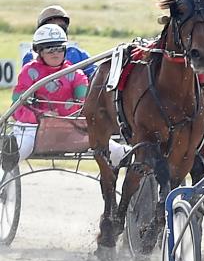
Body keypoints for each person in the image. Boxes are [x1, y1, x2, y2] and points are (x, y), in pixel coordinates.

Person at [3, 25, 127, 168]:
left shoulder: (76, 73)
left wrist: (67, 115)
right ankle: (6, 167)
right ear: (39, 51)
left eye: (59, 48)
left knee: (109, 146)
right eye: (49, 48)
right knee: (17, 152)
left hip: (72, 128)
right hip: (35, 130)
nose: (55, 53)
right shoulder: (28, 72)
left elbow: (85, 103)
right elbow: (17, 105)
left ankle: (132, 163)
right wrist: (41, 116)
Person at [21, 5, 96, 79]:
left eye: (61, 27)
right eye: (52, 28)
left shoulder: (79, 55)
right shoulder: (32, 57)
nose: (57, 32)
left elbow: (96, 79)